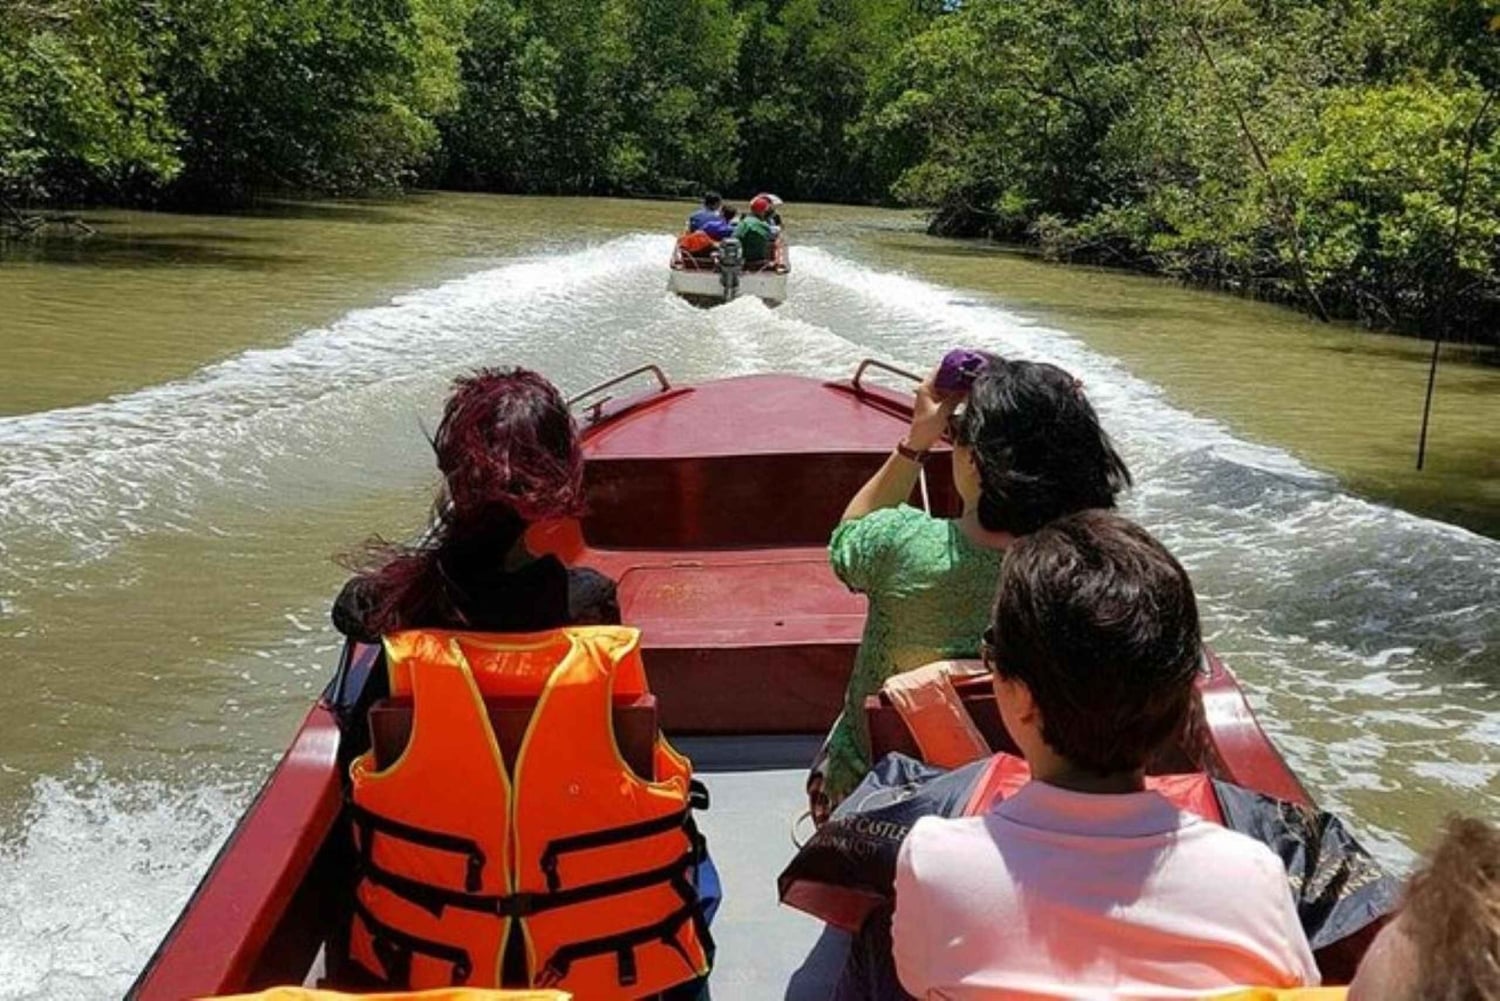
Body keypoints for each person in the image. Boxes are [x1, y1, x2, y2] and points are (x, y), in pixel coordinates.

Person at [891, 511, 1320, 999]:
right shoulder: (1255, 876)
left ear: (1023, 697)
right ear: (1181, 695)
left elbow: (915, 979)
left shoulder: (935, 861)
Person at [813, 354, 1130, 813]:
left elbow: (848, 537)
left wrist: (915, 442)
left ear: (977, 463)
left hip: (891, 798)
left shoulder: (901, 547)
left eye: (957, 434)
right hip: (1046, 802)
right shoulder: (1112, 571)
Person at [333, 367, 618, 642]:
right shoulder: (585, 599)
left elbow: (350, 612)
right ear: (552, 483)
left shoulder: (382, 605)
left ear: (453, 469)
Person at [732, 194, 778, 263]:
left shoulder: (743, 222)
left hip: (741, 256)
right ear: (762, 211)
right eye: (765, 211)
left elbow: (734, 237)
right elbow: (772, 236)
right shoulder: (762, 225)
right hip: (757, 257)